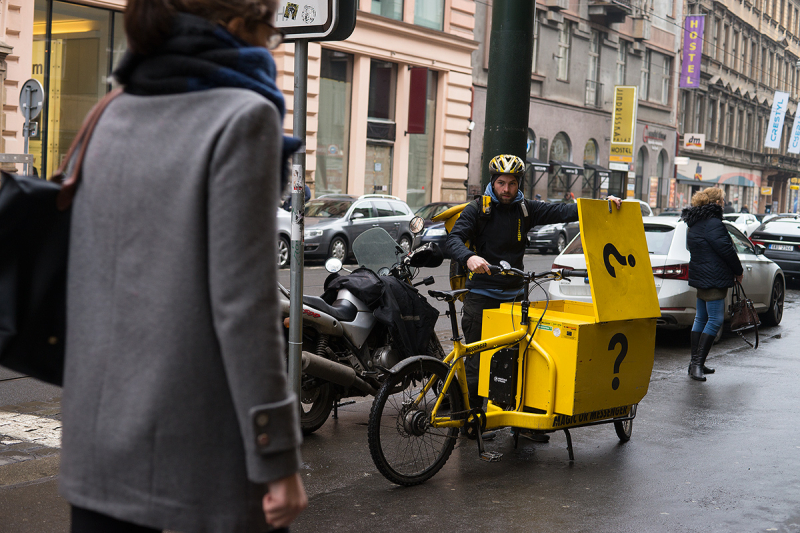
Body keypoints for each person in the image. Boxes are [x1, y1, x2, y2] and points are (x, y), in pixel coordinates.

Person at [60, 1, 307, 532]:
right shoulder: (246, 116)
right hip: (199, 467)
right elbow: (245, 308)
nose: (275, 49)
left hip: (97, 455)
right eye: (271, 32)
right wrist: (277, 455)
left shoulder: (108, 111)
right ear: (238, 26)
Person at [445, 154, 621, 440]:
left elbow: (564, 211)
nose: (506, 189)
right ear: (493, 182)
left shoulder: (525, 209)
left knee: (520, 359)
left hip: (515, 299)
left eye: (512, 183)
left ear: (518, 185)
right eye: (501, 182)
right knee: (478, 360)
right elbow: (452, 239)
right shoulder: (478, 209)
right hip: (482, 298)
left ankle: (524, 423)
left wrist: (602, 204)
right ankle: (472, 421)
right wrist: (469, 257)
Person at [680, 187, 743, 382]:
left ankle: (695, 364)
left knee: (701, 317)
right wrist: (738, 270)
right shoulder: (714, 223)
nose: (723, 204)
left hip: (701, 275)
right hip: (714, 277)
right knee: (714, 320)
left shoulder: (695, 222)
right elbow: (726, 250)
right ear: (716, 203)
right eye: (722, 201)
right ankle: (697, 365)